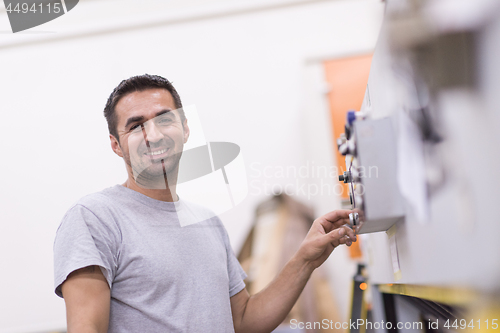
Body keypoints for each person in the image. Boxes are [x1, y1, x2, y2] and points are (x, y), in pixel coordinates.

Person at [53, 74, 357, 333]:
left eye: (164, 119)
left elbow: (243, 321)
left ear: (185, 129)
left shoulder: (207, 221)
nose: (153, 135)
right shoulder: (95, 218)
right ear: (116, 145)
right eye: (136, 126)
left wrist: (304, 259)